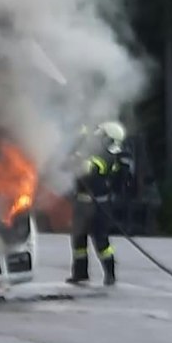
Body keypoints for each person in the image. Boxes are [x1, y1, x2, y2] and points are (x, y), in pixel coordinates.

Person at [68, 121, 126, 287]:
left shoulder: (107, 156)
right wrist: (79, 142)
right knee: (79, 240)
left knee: (101, 242)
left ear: (109, 139)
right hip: (86, 203)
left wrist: (78, 155)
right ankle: (80, 273)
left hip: (96, 205)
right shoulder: (101, 153)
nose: (98, 139)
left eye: (102, 136)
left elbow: (89, 168)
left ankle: (110, 274)